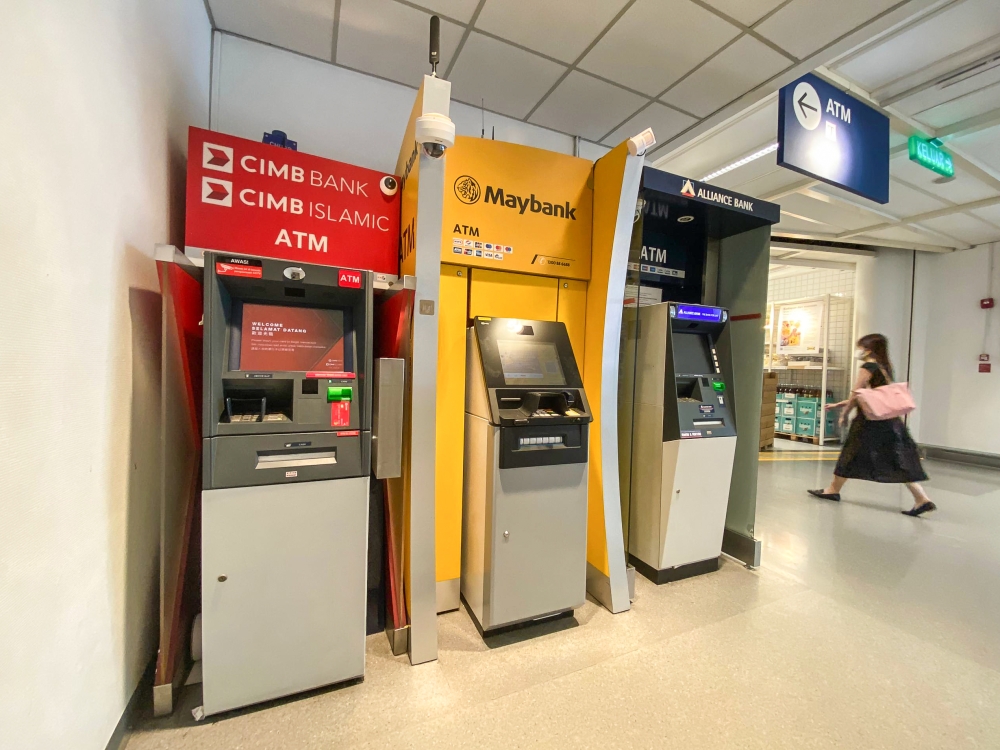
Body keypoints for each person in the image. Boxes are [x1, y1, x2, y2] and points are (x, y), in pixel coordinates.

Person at [808, 333, 936, 516]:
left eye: (861, 347)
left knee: (849, 454)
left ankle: (832, 490)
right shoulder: (886, 367)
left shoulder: (869, 366)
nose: (859, 351)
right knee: (896, 459)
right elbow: (874, 397)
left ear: (868, 349)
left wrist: (844, 412)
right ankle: (921, 498)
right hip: (889, 422)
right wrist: (840, 404)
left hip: (868, 422)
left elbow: (857, 392)